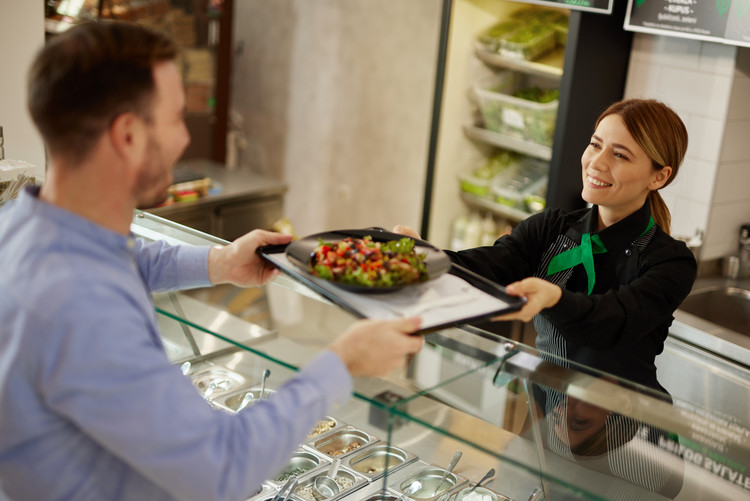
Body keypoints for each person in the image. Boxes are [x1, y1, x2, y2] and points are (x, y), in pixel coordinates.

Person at [0, 21, 423, 501]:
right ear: (127, 135)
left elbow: (125, 259)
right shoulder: (83, 306)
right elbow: (223, 468)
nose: (184, 139)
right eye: (177, 118)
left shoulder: (26, 223)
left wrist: (220, 262)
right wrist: (342, 363)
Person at [399, 98, 696, 395]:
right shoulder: (552, 228)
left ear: (659, 176)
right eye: (595, 145)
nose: (597, 162)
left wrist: (555, 298)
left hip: (625, 424)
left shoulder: (670, 262)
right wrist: (424, 257)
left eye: (620, 155)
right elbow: (490, 264)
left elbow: (611, 322)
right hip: (547, 406)